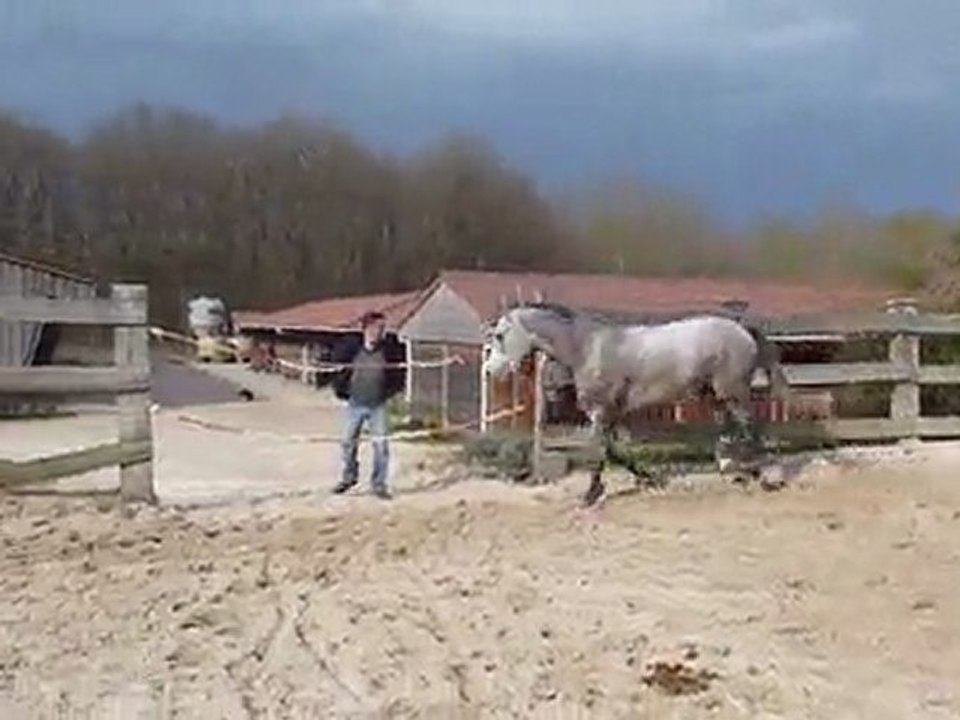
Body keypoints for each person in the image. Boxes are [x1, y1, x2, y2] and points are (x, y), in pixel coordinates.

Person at [322, 310, 406, 499]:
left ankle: (379, 484)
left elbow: (398, 374)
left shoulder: (388, 352)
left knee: (381, 446)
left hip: (377, 405)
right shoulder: (352, 350)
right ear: (366, 329)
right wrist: (339, 389)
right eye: (376, 328)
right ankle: (349, 477)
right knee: (348, 443)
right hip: (355, 404)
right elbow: (335, 368)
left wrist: (391, 392)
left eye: (382, 329)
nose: (379, 332)